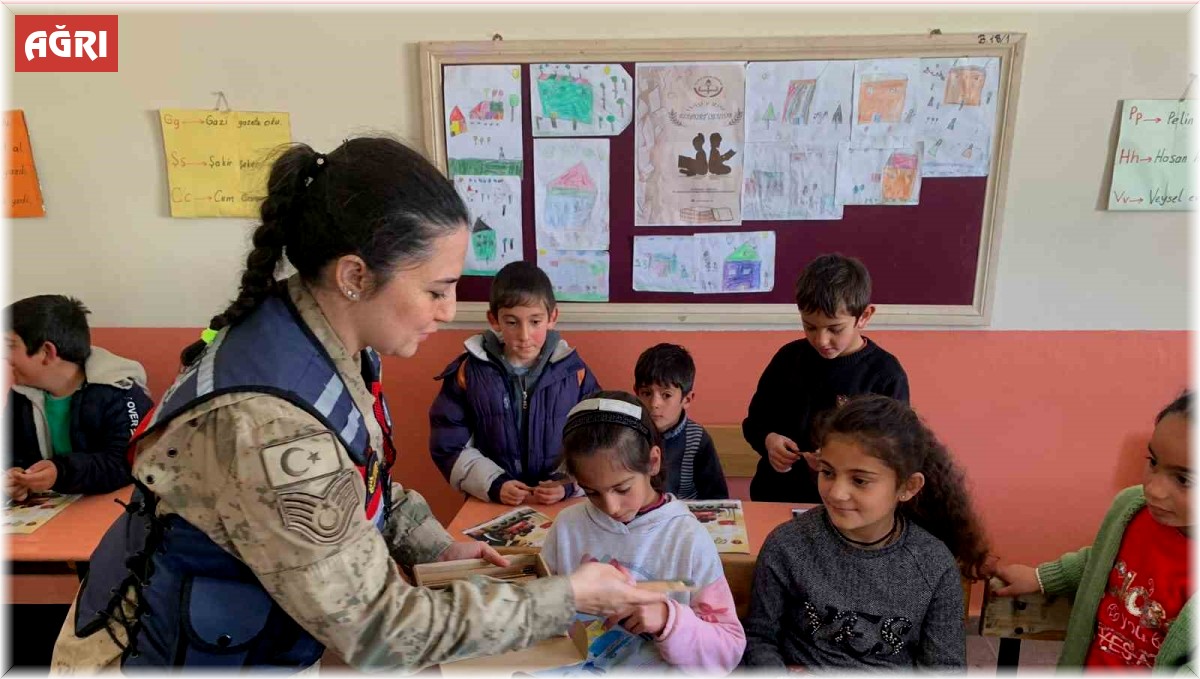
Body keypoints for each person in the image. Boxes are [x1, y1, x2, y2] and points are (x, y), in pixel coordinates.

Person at [50, 138, 663, 673]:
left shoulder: (325, 338)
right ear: (354, 276)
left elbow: (359, 479)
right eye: (436, 290)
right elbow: (380, 632)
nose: (450, 312)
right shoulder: (268, 425)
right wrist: (570, 596)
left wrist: (433, 543)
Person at [743, 395, 990, 670]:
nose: (836, 492)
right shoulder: (788, 544)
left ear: (908, 487)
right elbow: (759, 638)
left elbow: (945, 666)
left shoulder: (934, 563)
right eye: (827, 472)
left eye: (860, 480)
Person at [542, 392, 745, 674]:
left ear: (653, 462)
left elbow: (728, 651)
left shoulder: (687, 539)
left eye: (622, 488)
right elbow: (539, 616)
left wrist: (667, 620)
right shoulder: (567, 526)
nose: (610, 507)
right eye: (592, 492)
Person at [992, 392, 1193, 671]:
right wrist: (1042, 577)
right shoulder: (1131, 510)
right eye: (1153, 462)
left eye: (1184, 479)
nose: (1154, 489)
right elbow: (1100, 560)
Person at [743, 253, 909, 503]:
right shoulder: (788, 359)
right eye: (809, 326)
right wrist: (768, 440)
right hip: (776, 495)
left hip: (845, 504)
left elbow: (894, 450)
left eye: (835, 329)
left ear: (864, 316)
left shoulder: (885, 374)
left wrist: (839, 460)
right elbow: (755, 421)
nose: (821, 340)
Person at [430, 261, 599, 506]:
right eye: (511, 322)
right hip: (492, 501)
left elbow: (597, 440)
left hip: (561, 504)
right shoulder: (469, 373)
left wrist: (568, 483)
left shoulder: (575, 373)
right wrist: (494, 483)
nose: (524, 335)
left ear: (552, 317)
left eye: (535, 321)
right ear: (494, 320)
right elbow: (448, 443)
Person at [4, 294, 152, 499]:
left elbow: (127, 463)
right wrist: (14, 477)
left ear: (47, 351)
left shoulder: (119, 391)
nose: (5, 356)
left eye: (11, 346)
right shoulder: (21, 396)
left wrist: (60, 472)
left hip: (108, 513)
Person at [634, 343, 727, 500]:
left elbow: (717, 498)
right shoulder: (627, 435)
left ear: (687, 399)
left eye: (666, 395)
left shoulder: (697, 439)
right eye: (646, 393)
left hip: (685, 518)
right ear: (636, 393)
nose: (654, 403)